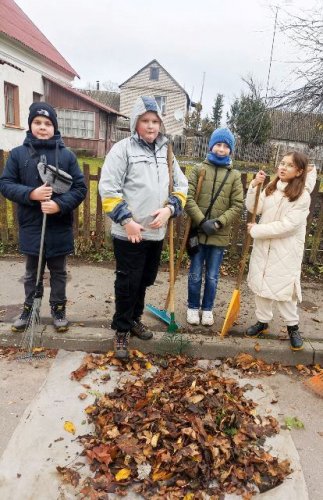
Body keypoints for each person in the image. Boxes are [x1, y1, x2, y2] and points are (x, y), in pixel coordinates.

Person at [99, 96, 188, 360]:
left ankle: (135, 319)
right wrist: (127, 221)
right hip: (129, 234)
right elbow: (109, 189)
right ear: (136, 122)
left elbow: (181, 187)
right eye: (146, 121)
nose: (151, 126)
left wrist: (170, 209)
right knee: (128, 282)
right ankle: (122, 330)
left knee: (145, 279)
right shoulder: (122, 150)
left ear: (160, 124)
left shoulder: (167, 152)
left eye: (155, 121)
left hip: (156, 232)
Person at [0, 102, 87, 332]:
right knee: (31, 273)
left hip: (58, 228)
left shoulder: (66, 156)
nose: (42, 127)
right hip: (31, 227)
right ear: (30, 125)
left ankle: (58, 309)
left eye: (47, 123)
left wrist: (59, 205)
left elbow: (80, 189)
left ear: (55, 127)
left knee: (59, 272)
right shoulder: (19, 155)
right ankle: (30, 308)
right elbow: (6, 184)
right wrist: (31, 194)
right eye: (37, 122)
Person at [245, 152, 317, 350]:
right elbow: (254, 208)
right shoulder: (270, 187)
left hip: (286, 251)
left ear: (299, 171)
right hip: (263, 249)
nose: (283, 167)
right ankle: (262, 322)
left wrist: (257, 230)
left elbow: (288, 226)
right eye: (282, 163)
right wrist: (253, 186)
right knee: (262, 288)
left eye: (289, 165)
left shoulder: (301, 196)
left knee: (285, 292)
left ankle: (292, 327)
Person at [185, 128, 243, 326]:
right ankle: (193, 307)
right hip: (199, 234)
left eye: (226, 146)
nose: (221, 149)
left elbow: (237, 205)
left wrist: (218, 223)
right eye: (218, 144)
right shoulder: (199, 170)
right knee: (195, 274)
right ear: (211, 146)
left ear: (230, 150)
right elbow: (188, 198)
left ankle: (207, 308)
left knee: (211, 276)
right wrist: (202, 222)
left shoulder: (234, 175)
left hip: (219, 236)